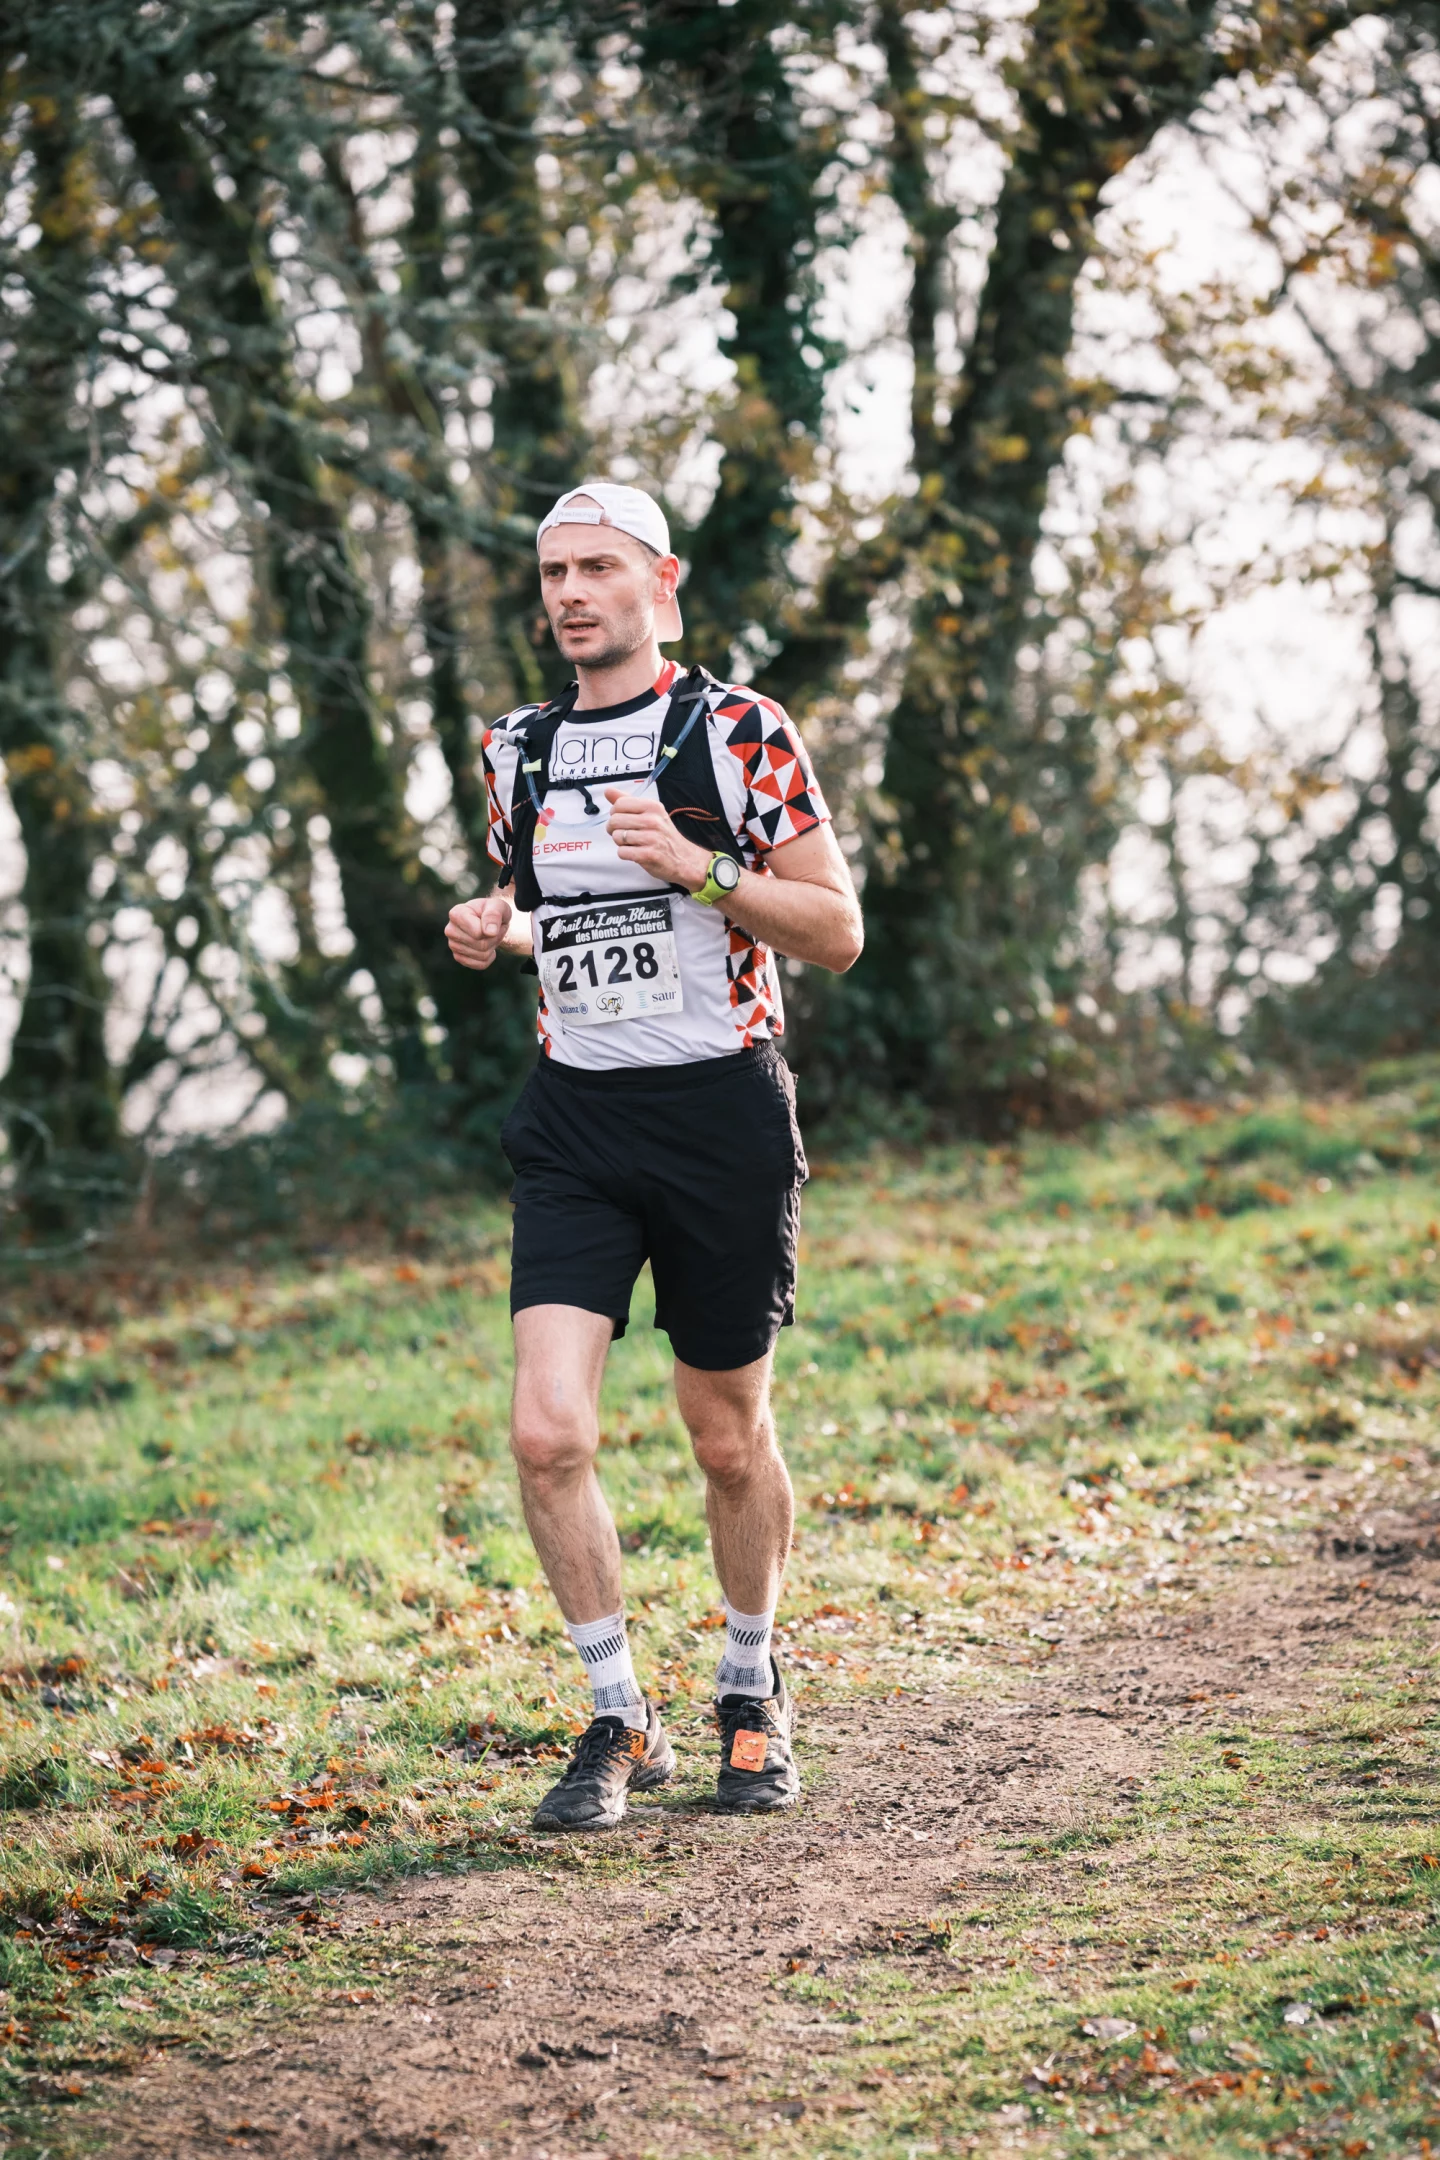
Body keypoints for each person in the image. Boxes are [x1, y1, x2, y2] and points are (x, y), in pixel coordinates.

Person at [445, 481, 863, 1831]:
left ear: (660, 582)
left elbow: (836, 930)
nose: (571, 593)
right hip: (577, 1120)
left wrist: (700, 867)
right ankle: (619, 1712)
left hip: (719, 1114)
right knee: (545, 1430)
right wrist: (495, 931)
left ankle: (751, 1683)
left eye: (598, 568)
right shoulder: (516, 749)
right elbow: (554, 918)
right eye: (554, 572)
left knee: (726, 1437)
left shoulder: (739, 730)